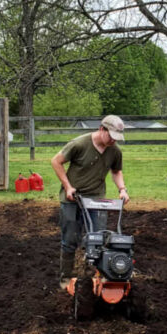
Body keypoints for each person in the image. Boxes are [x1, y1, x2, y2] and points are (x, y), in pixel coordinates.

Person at [51, 114, 130, 289]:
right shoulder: (79, 144)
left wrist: (122, 189)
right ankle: (65, 278)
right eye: (111, 136)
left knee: (99, 238)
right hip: (72, 198)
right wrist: (68, 186)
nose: (113, 141)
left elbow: (116, 171)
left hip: (96, 199)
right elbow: (56, 161)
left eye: (116, 138)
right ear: (102, 129)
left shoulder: (114, 151)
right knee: (70, 238)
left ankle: (95, 275)